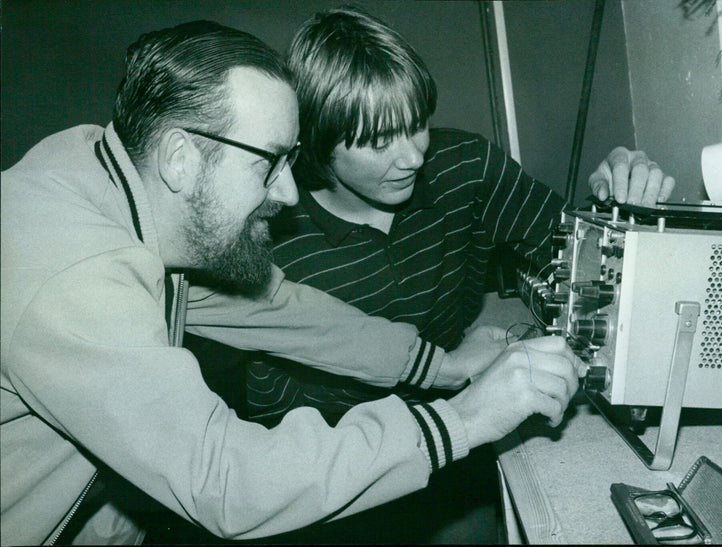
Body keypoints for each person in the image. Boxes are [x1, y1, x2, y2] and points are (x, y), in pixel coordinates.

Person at [0, 20, 588, 546]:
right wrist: (461, 421)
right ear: (180, 157)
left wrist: (444, 368)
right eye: (268, 163)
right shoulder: (77, 274)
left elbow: (279, 309)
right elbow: (225, 480)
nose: (286, 194)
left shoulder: (108, 176)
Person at [180, 6, 676, 544]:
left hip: (457, 445)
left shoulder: (465, 166)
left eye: (416, 124)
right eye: (379, 141)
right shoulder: (262, 232)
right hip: (324, 480)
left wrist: (621, 201)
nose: (413, 155)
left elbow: (582, 257)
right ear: (318, 146)